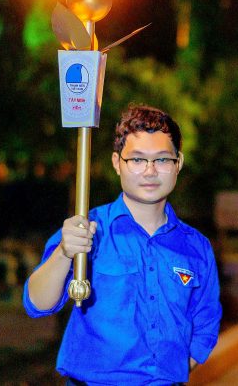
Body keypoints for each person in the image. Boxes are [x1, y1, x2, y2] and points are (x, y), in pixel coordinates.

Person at [23, 104, 222, 385]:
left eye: (163, 160)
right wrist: (64, 253)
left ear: (178, 163)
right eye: (137, 160)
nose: (150, 171)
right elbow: (37, 303)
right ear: (117, 163)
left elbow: (205, 321)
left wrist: (175, 368)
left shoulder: (196, 248)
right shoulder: (88, 229)